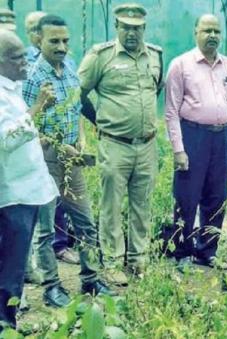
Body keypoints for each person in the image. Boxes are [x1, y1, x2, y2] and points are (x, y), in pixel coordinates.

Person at [22, 14, 114, 307]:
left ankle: (90, 280)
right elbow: (20, 126)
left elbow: (75, 109)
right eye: (54, 41)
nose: (61, 46)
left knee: (85, 221)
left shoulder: (71, 69)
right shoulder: (32, 76)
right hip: (44, 159)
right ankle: (51, 286)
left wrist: (83, 137)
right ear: (38, 39)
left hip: (71, 158)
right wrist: (40, 109)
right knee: (46, 228)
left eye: (65, 41)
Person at [78, 3, 163, 284]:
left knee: (143, 203)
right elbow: (79, 94)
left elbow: (156, 90)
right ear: (116, 27)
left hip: (147, 144)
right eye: (125, 27)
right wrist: (100, 122)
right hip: (115, 144)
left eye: (136, 28)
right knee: (111, 204)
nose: (131, 33)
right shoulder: (100, 56)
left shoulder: (155, 56)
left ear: (144, 29)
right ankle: (113, 261)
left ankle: (139, 259)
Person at [165, 14, 227, 269]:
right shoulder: (181, 65)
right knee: (187, 196)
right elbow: (171, 111)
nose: (212, 36)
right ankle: (182, 252)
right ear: (195, 32)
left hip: (220, 138)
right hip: (192, 136)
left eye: (216, 31)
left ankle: (207, 251)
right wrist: (179, 149)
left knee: (216, 197)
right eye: (207, 30)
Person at [0, 29, 58, 331]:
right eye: (16, 57)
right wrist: (37, 109)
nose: (25, 61)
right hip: (13, 195)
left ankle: (7, 322)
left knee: (15, 263)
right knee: (10, 264)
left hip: (27, 191)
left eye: (24, 54)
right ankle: (4, 325)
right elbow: (6, 139)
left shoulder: (12, 88)